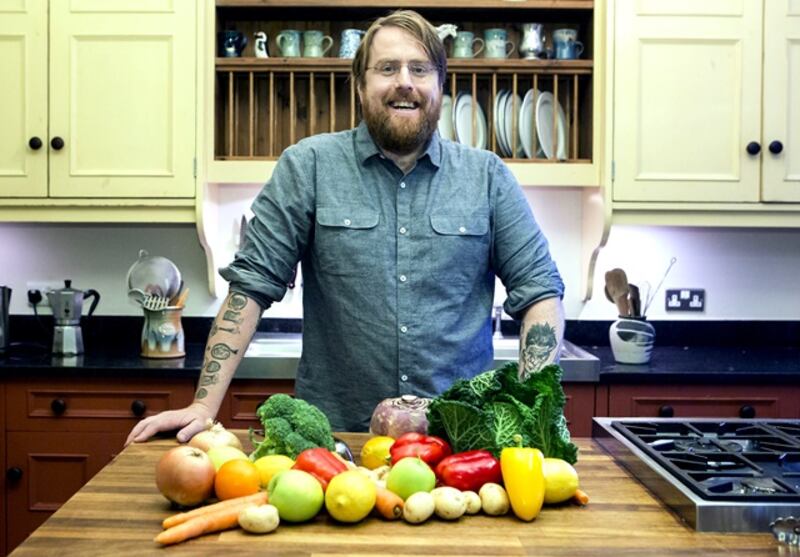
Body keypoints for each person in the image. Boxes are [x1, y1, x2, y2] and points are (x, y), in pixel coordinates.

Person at [125, 10, 564, 444]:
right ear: (359, 86)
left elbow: (540, 291)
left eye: (420, 69)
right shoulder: (309, 167)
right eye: (387, 68)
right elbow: (250, 288)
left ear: (440, 86)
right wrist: (203, 406)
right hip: (335, 443)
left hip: (459, 443)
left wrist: (528, 409)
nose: (404, 82)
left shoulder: (487, 177)